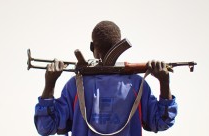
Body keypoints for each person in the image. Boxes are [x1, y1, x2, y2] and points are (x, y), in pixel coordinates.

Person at [34, 21, 177, 136]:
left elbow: (45, 127)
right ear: (120, 46)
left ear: (91, 46)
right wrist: (164, 82)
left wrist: (50, 83)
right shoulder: (137, 85)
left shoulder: (76, 86)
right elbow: (162, 121)